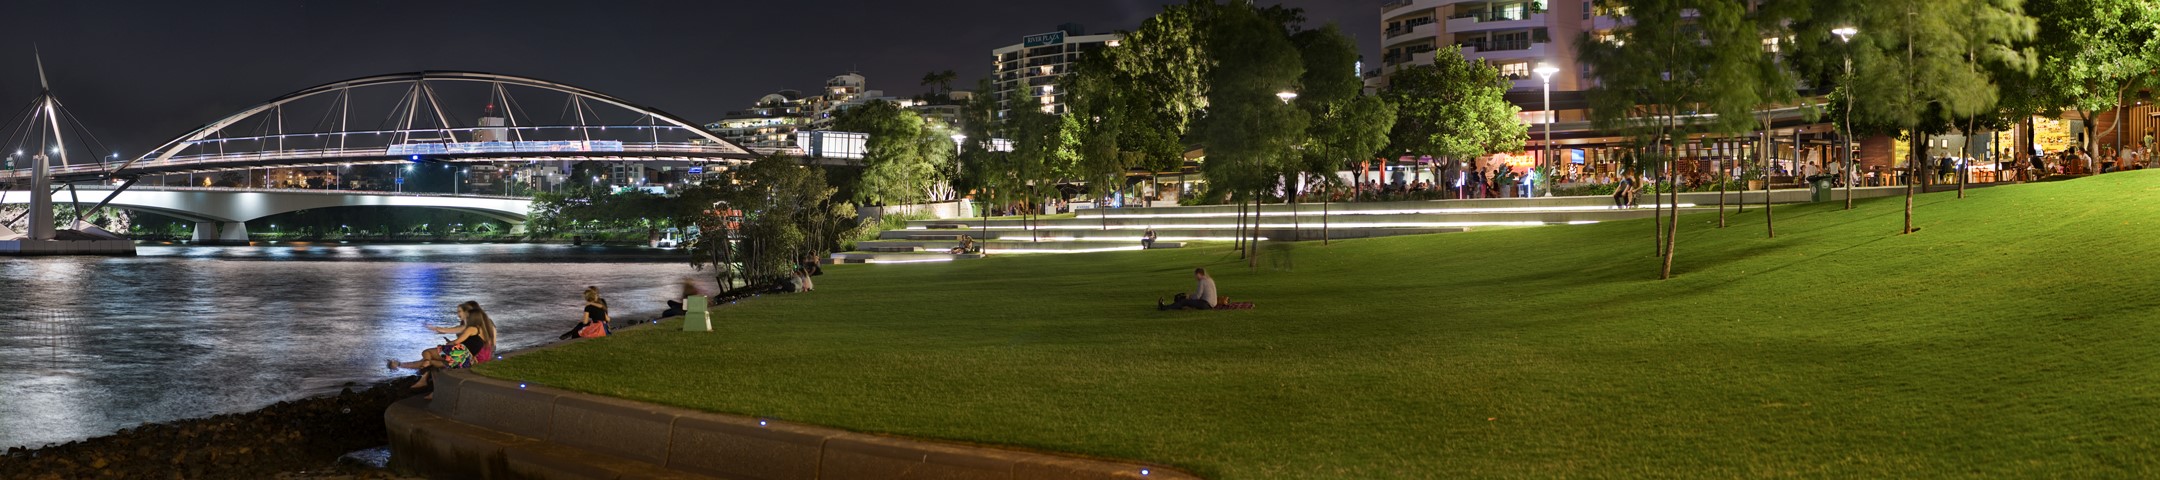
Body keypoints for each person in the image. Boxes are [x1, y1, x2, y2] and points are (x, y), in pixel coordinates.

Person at [388, 301, 499, 395]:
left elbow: (452, 334)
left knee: (429, 356)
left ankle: (405, 368)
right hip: (477, 356)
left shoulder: (470, 327)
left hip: (472, 357)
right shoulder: (487, 325)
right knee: (433, 360)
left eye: (461, 311)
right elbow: (491, 345)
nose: (458, 314)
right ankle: (409, 370)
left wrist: (433, 329)